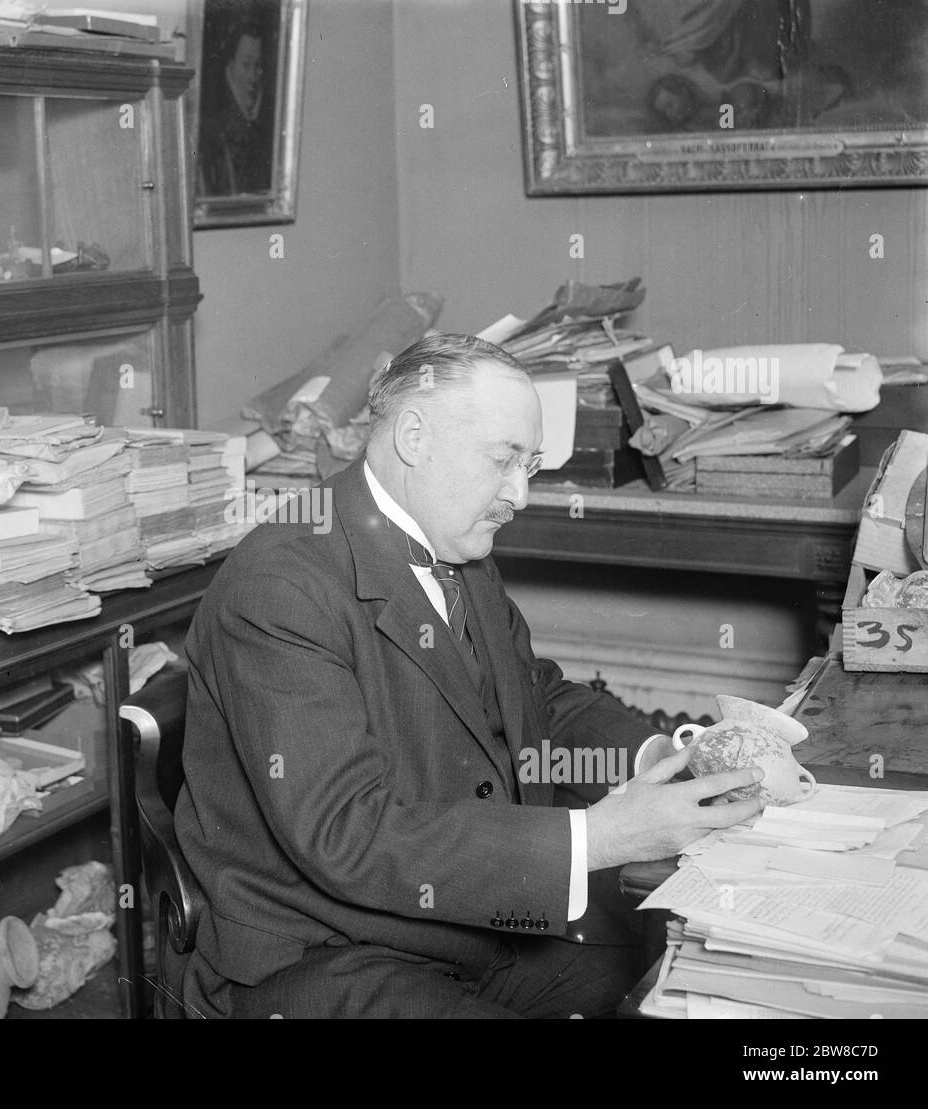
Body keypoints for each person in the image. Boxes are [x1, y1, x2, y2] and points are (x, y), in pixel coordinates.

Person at [174, 333, 765, 1018]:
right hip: (322, 953)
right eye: (503, 459)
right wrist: (601, 836)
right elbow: (347, 831)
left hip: (459, 924)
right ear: (414, 437)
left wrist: (660, 758)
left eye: (531, 464)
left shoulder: (455, 545)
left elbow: (533, 697)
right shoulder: (281, 587)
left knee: (679, 969)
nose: (519, 493)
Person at [197, 21, 272, 196]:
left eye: (258, 66)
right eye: (246, 65)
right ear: (229, 68)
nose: (253, 77)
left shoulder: (264, 132)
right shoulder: (213, 132)